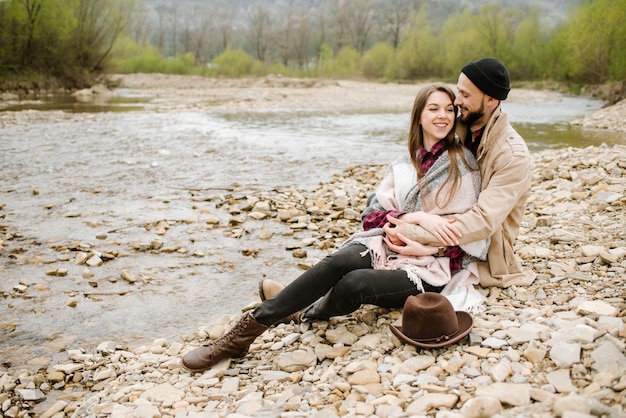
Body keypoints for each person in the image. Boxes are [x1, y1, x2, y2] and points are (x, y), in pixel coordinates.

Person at [181, 83, 490, 373]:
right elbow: (371, 216)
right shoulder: (402, 164)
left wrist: (428, 246)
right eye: (434, 109)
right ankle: (241, 336)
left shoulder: (462, 165)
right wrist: (416, 219)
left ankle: (304, 312)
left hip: (429, 266)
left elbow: (470, 238)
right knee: (340, 261)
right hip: (386, 243)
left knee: (354, 284)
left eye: (449, 109)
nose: (443, 116)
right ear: (419, 116)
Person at [383, 58, 536, 288]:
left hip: (480, 252)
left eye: (465, 95)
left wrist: (416, 235)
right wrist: (403, 218)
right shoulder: (460, 125)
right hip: (434, 229)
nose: (456, 101)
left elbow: (483, 221)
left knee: (362, 282)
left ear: (491, 99)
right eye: (458, 92)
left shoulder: (512, 156)